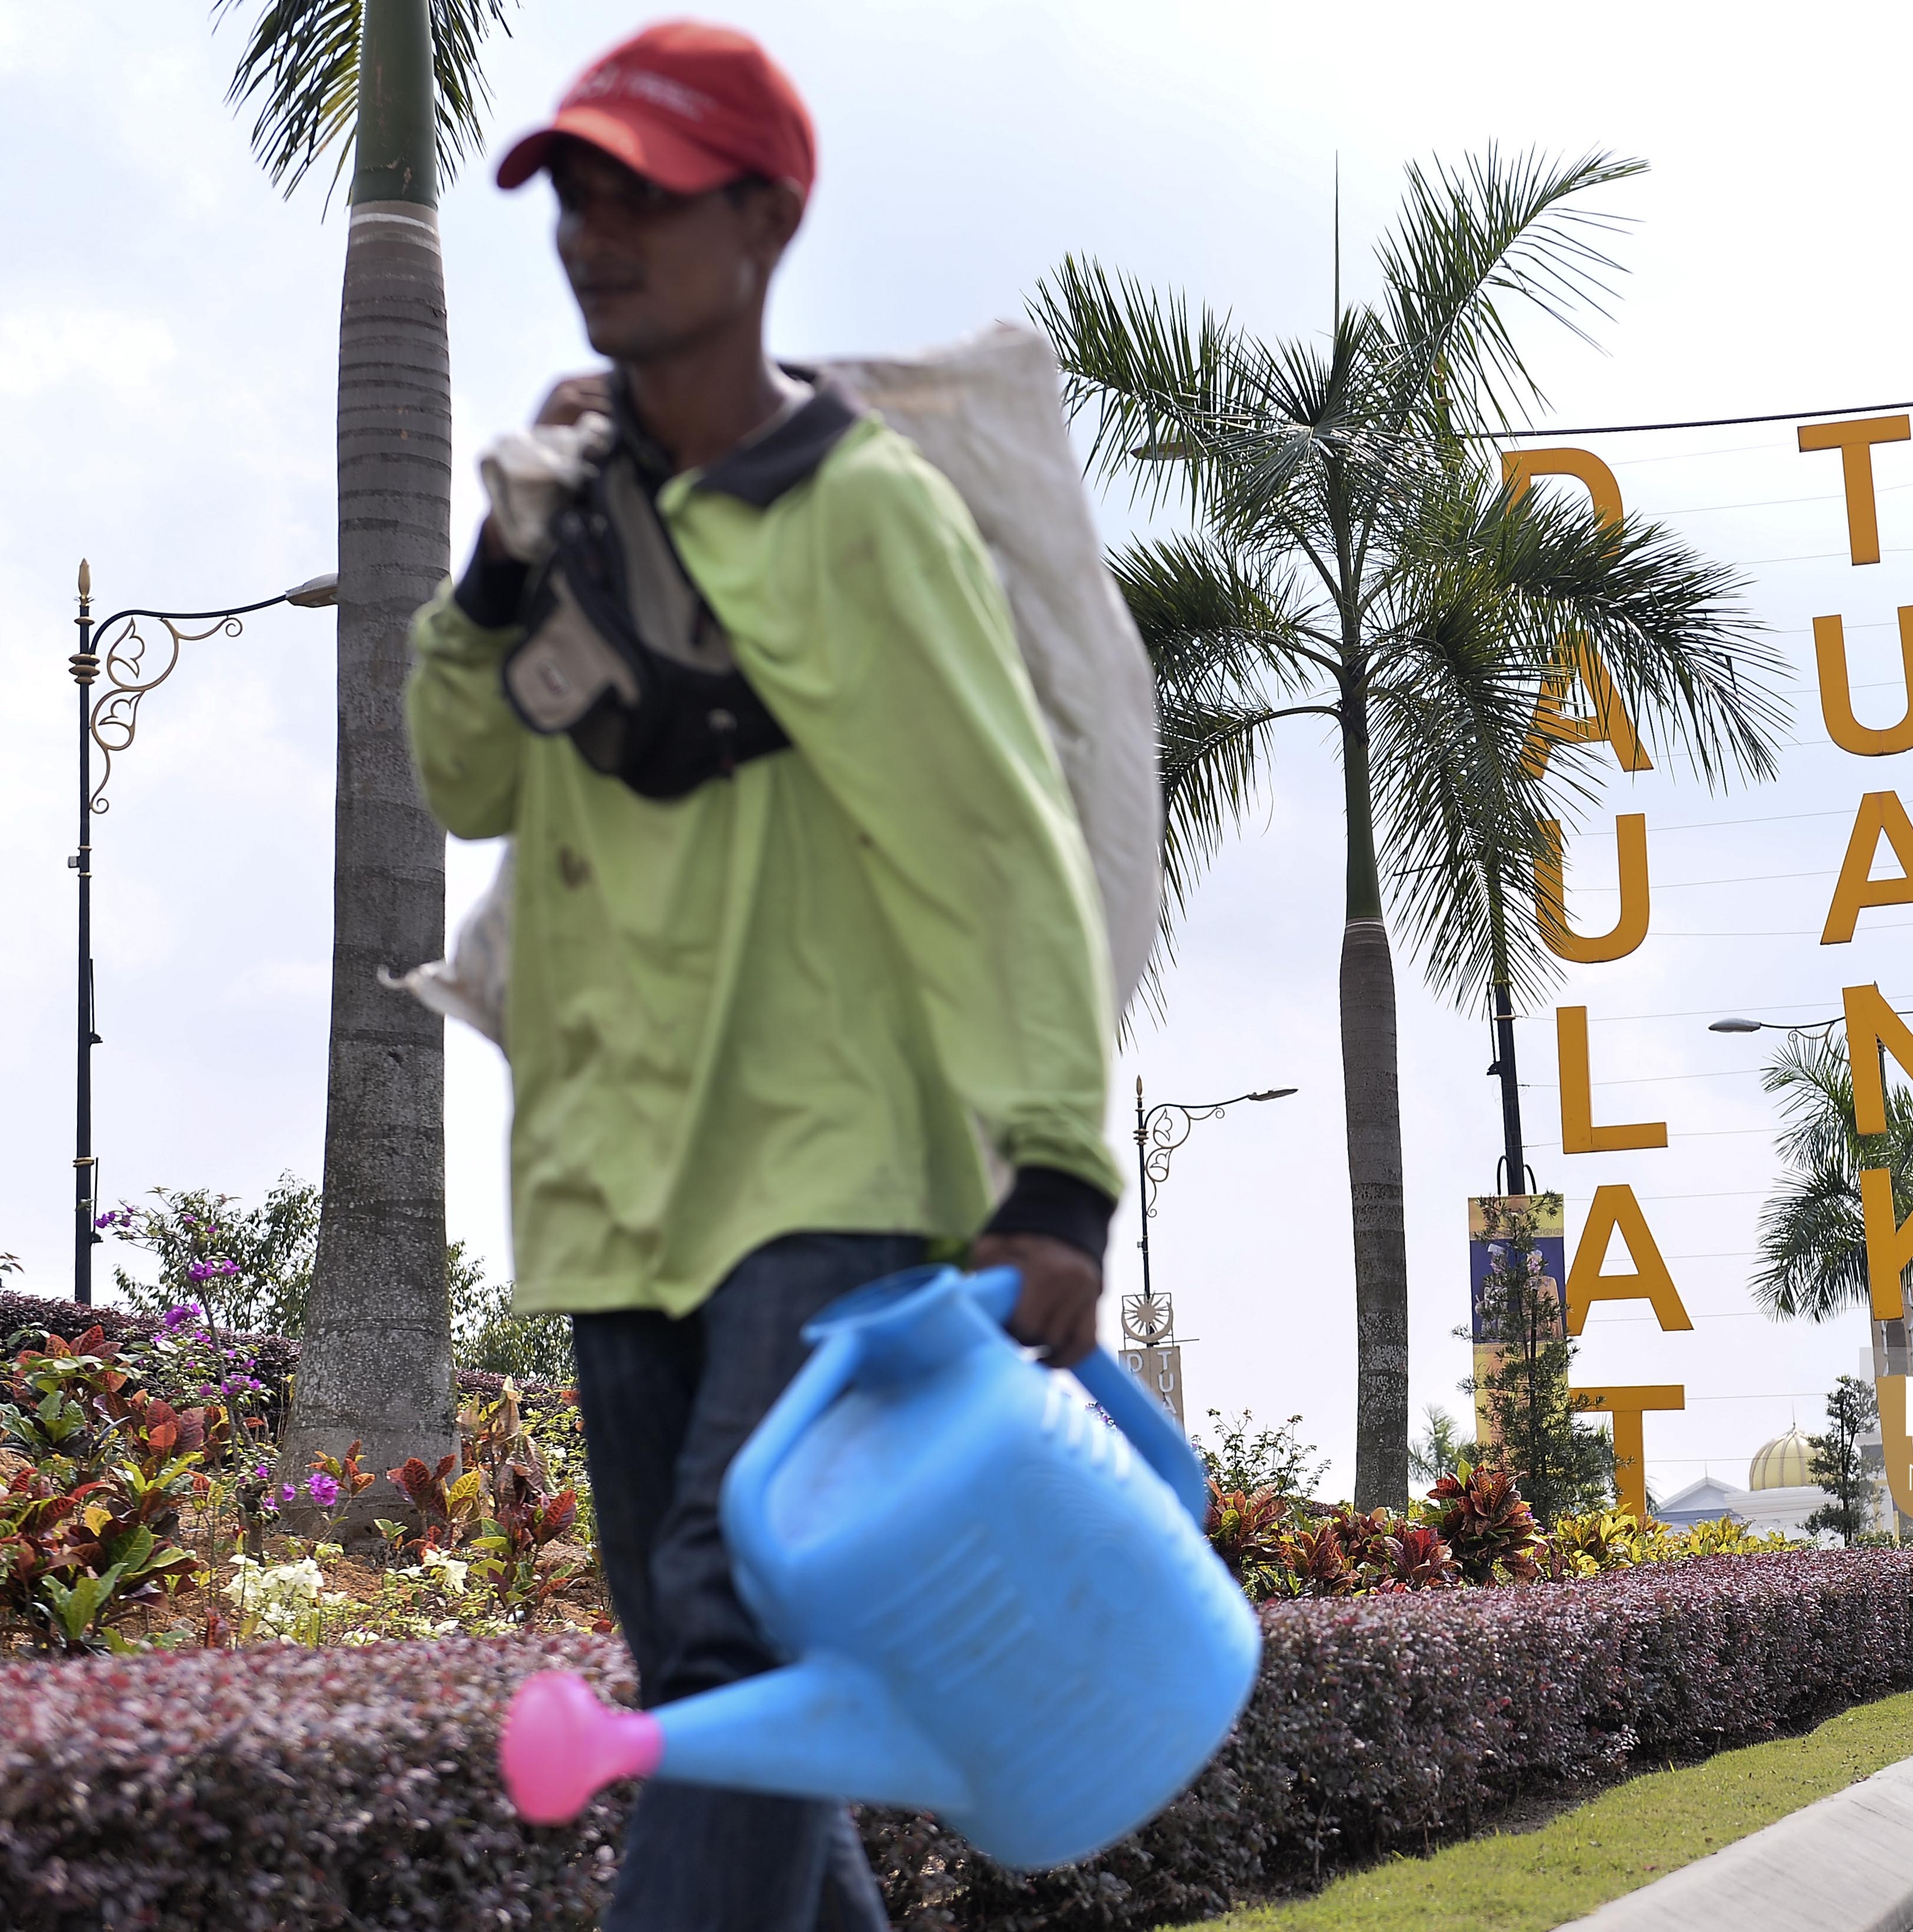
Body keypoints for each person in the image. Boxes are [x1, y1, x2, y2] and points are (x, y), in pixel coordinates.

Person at [404, 23, 1120, 1931]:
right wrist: (493, 570)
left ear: (765, 215)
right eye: (574, 189)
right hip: (612, 1194)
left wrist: (1058, 1170)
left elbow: (994, 840)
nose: (595, 229)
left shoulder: (859, 511)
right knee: (733, 1711)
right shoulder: (571, 512)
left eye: (645, 187)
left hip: (824, 1180)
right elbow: (463, 774)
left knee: (722, 1647)